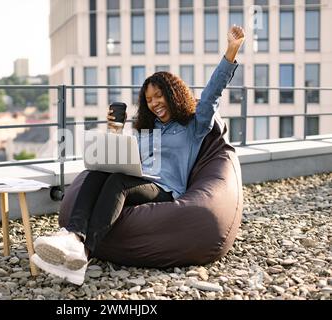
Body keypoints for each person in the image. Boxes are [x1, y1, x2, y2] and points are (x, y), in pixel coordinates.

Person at [31, 25, 245, 285]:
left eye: (159, 96)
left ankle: (82, 251)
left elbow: (212, 93)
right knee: (102, 171)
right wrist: (113, 131)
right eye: (149, 100)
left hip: (166, 189)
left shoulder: (193, 125)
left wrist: (231, 51)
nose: (154, 103)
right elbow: (129, 159)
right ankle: (71, 236)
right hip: (139, 181)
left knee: (117, 182)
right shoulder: (147, 128)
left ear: (173, 94)